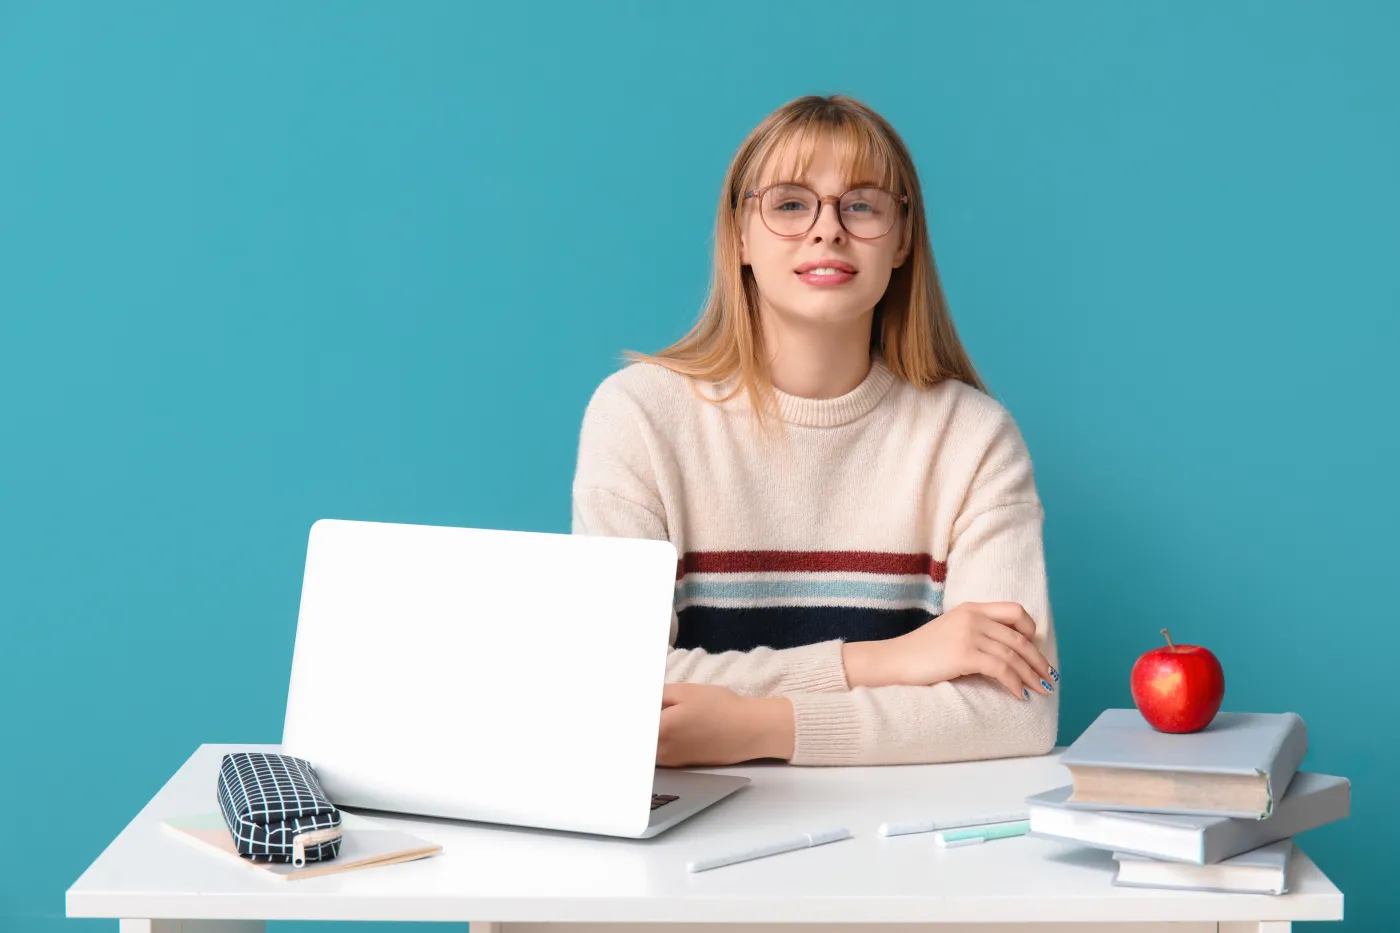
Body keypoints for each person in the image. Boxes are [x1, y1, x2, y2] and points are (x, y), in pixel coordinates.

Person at [571, 93, 1059, 769]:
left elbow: (1019, 707)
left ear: (902, 239)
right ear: (739, 236)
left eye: (861, 205)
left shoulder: (973, 438)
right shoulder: (639, 416)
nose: (828, 229)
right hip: (689, 843)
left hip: (905, 838)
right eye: (791, 203)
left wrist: (764, 727)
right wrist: (890, 660)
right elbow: (612, 684)